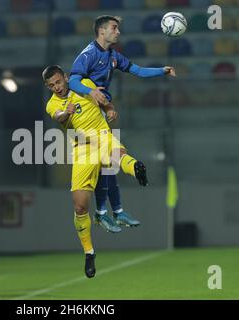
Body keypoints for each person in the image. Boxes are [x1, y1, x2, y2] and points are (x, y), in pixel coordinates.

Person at [68, 15, 177, 232]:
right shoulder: (88, 54)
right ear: (102, 31)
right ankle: (107, 213)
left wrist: (161, 70)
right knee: (107, 162)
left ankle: (108, 212)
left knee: (109, 165)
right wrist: (91, 92)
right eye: (114, 28)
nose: (118, 32)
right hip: (84, 118)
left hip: (98, 114)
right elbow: (72, 80)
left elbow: (137, 71)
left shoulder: (113, 56)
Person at [43, 65, 148, 278]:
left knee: (118, 155)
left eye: (58, 82)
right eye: (51, 85)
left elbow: (104, 100)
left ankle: (136, 169)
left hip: (102, 136)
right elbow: (59, 117)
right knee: (80, 206)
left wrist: (109, 109)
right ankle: (89, 253)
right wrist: (67, 112)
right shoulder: (52, 104)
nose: (56, 87)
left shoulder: (85, 85)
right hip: (82, 148)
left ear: (65, 77)